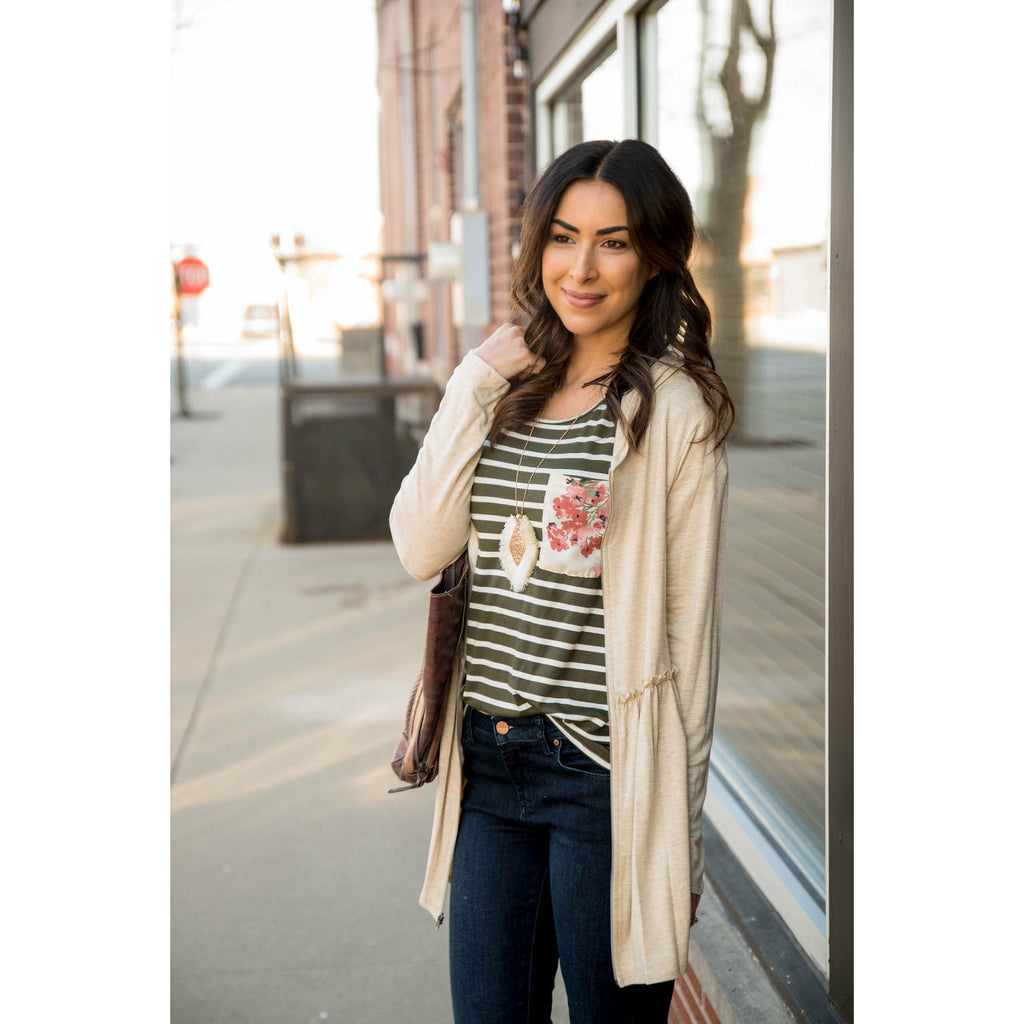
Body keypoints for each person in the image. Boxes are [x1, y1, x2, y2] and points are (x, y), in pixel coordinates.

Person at [389, 138, 733, 1024]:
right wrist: (470, 380)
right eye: (564, 236)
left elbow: (689, 647)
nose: (581, 268)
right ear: (537, 243)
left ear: (655, 255)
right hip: (489, 764)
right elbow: (421, 546)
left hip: (598, 773)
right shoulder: (503, 387)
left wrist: (679, 849)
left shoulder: (673, 412)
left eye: (613, 242)